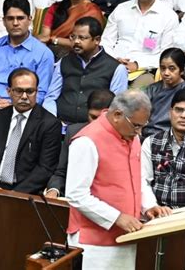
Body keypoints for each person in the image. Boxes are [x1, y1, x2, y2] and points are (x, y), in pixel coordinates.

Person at [66, 89, 171, 269]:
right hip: (93, 244)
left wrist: (148, 206)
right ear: (117, 115)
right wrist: (117, 217)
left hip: (127, 236)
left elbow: (139, 178)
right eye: (136, 126)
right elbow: (76, 195)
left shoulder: (131, 135)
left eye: (142, 126)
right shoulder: (87, 141)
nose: (139, 132)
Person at [0, 68, 61, 194]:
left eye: (30, 91)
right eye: (19, 91)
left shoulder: (49, 124)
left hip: (25, 192)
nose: (24, 97)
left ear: (37, 91)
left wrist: (15, 194)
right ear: (9, 91)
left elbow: (45, 168)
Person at [101, 0, 179, 86]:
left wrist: (137, 64)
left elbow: (166, 55)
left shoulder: (168, 16)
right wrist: (114, 60)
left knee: (132, 97)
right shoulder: (121, 9)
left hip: (145, 71)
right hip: (112, 64)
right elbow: (105, 42)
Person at [0, 0, 54, 112]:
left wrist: (14, 106)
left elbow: (41, 93)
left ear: (30, 20)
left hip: (23, 110)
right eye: (10, 18)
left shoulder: (43, 53)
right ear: (4, 21)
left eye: (20, 18)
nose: (15, 23)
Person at [43, 16, 127, 123]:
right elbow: (51, 97)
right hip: (59, 125)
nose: (76, 41)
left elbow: (117, 106)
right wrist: (52, 120)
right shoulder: (64, 62)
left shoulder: (116, 68)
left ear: (97, 40)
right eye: (73, 37)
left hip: (93, 130)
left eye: (82, 38)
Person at [45, 89, 115, 198]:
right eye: (93, 117)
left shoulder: (122, 137)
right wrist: (54, 190)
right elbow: (61, 172)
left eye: (102, 118)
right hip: (73, 198)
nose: (97, 123)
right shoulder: (73, 132)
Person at [38, 0, 104, 59]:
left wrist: (55, 40)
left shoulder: (92, 11)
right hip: (50, 50)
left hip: (79, 54)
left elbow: (88, 43)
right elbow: (44, 36)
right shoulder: (55, 7)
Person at [143, 48, 185, 139]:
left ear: (181, 70)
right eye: (163, 68)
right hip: (146, 136)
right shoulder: (152, 89)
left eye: (172, 69)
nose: (166, 73)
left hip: (171, 138)